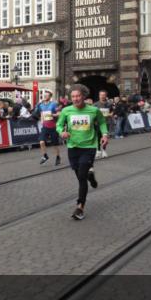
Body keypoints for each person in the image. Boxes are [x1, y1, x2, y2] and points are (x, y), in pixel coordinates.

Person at [57, 85, 109, 221]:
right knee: (81, 175)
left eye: (78, 96)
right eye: (73, 96)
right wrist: (61, 132)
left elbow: (102, 122)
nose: (75, 99)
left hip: (89, 147)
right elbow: (59, 124)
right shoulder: (66, 111)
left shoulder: (93, 110)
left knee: (81, 177)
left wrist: (104, 134)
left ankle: (80, 207)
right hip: (73, 147)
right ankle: (90, 176)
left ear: (83, 96)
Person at [35, 91, 61, 166]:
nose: (45, 96)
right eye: (44, 95)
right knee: (41, 142)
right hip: (45, 126)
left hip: (53, 126)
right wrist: (42, 121)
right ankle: (45, 156)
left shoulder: (53, 104)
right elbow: (41, 114)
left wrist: (53, 114)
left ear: (50, 97)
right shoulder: (41, 105)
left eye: (47, 95)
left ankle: (58, 157)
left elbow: (59, 113)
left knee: (55, 145)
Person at [92, 91, 113, 159]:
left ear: (106, 95)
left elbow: (112, 111)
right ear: (99, 95)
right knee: (98, 137)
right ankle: (98, 151)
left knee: (105, 137)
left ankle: (104, 150)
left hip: (106, 123)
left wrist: (111, 114)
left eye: (104, 95)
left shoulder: (109, 104)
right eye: (101, 95)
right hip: (97, 123)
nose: (102, 96)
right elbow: (92, 113)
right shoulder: (95, 104)